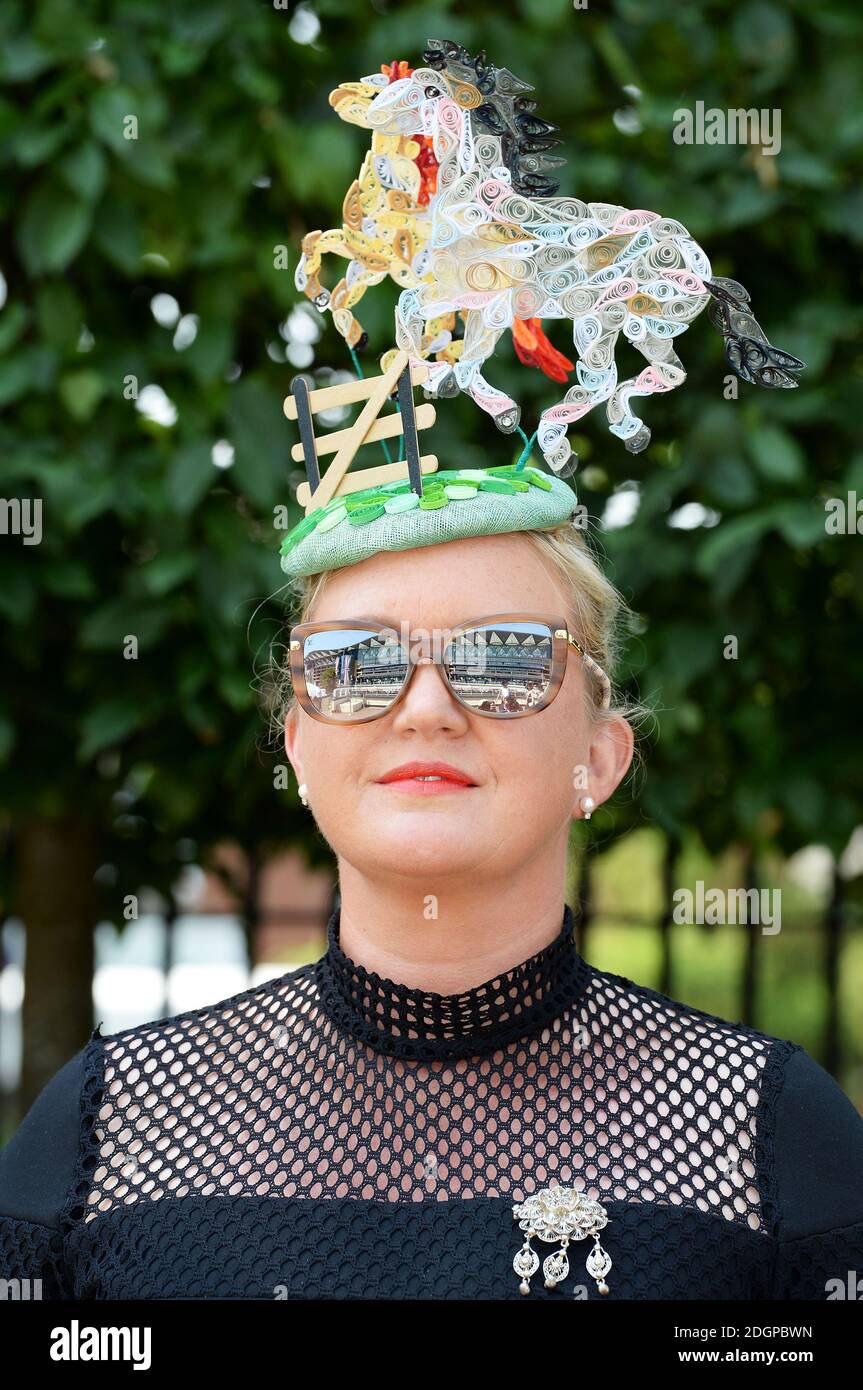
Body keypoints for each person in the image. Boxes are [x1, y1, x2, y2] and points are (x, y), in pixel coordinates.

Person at [2, 450, 862, 1301]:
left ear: (598, 758)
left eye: (505, 659)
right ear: (298, 748)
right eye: (357, 661)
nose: (423, 708)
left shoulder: (765, 1133)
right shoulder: (108, 1125)